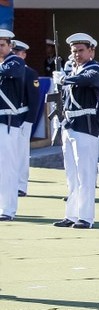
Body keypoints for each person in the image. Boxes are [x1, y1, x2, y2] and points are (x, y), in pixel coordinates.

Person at [52, 34, 99, 229]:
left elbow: (88, 80)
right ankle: (71, 214)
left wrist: (65, 78)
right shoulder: (73, 69)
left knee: (86, 174)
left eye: (81, 50)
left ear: (91, 51)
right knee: (71, 174)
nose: (77, 55)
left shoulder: (94, 68)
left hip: (86, 125)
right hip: (70, 124)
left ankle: (86, 217)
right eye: (74, 51)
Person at [0, 29, 26, 221]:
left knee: (7, 167)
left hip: (7, 122)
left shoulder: (15, 61)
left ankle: (7, 209)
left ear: (10, 46)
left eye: (2, 45)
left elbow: (13, 72)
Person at [11, 41, 40, 198]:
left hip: (22, 117)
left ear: (24, 55)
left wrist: (29, 121)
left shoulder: (29, 73)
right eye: (13, 52)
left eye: (18, 52)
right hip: (6, 117)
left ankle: (21, 185)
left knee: (21, 153)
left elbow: (34, 100)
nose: (15, 55)